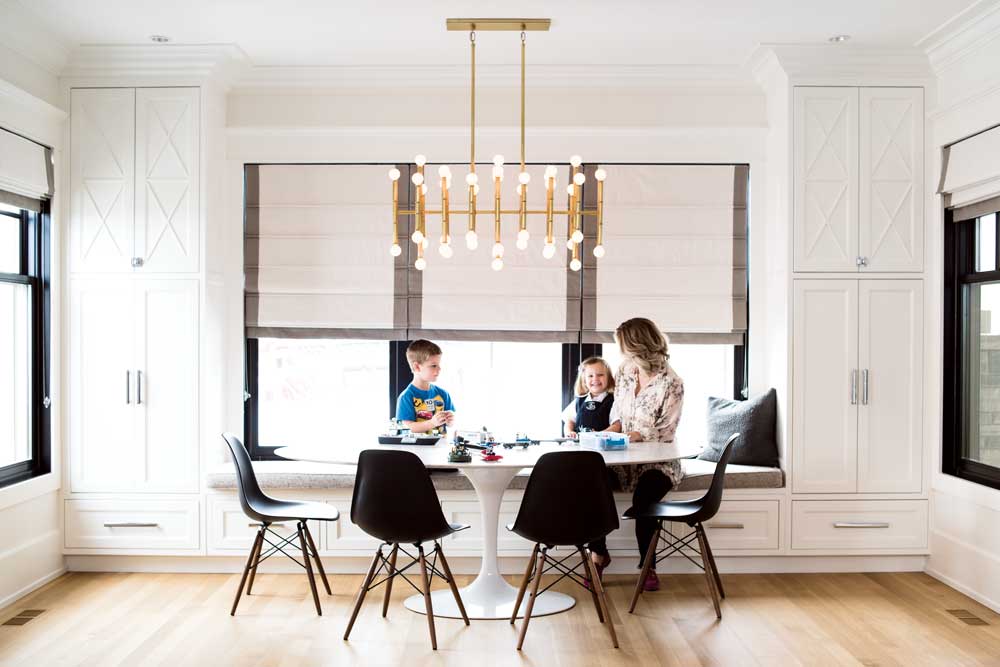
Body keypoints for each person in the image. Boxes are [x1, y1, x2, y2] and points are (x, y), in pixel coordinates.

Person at [587, 317, 684, 593]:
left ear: (637, 345)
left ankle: (648, 566)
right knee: (593, 481)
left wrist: (635, 435)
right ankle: (599, 554)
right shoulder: (627, 371)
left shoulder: (672, 382)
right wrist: (610, 431)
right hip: (622, 458)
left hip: (658, 462)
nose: (621, 352)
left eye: (623, 346)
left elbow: (666, 431)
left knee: (645, 496)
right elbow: (619, 410)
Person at [395, 339, 456, 435]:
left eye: (439, 365)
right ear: (417, 367)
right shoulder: (406, 397)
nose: (439, 369)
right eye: (433, 365)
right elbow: (409, 427)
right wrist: (432, 423)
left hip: (440, 447)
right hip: (416, 449)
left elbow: (451, 424)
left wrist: (450, 420)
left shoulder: (443, 394)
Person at [561, 357, 616, 437]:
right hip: (579, 445)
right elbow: (569, 421)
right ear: (584, 381)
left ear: (609, 378)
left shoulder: (613, 401)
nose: (595, 379)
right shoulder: (579, 401)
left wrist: (600, 435)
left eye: (600, 375)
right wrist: (569, 432)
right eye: (590, 376)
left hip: (602, 446)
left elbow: (617, 425)